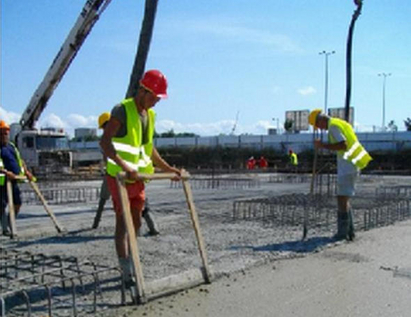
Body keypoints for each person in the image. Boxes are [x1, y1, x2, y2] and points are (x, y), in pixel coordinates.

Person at [100, 70, 181, 284]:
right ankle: (126, 270)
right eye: (154, 97)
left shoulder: (150, 116)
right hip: (119, 177)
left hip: (138, 178)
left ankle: (132, 256)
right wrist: (125, 167)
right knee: (122, 223)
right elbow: (105, 143)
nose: (156, 102)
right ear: (143, 90)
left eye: (158, 99)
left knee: (136, 222)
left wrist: (168, 169)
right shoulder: (122, 110)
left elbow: (149, 149)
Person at [308, 109, 372, 240]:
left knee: (342, 198)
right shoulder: (340, 123)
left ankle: (342, 233)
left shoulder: (333, 127)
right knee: (344, 198)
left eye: (318, 125)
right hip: (352, 163)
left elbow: (343, 144)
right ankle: (350, 232)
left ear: (320, 120)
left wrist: (322, 145)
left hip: (348, 165)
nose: (320, 128)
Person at [92, 112, 160, 236]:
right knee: (138, 205)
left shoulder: (113, 139)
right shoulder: (114, 138)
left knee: (129, 206)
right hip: (119, 174)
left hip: (119, 175)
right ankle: (140, 232)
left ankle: (134, 234)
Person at [0, 120, 35, 235]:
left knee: (17, 203)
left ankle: (11, 223)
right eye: (1, 133)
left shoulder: (11, 147)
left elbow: (19, 161)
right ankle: (5, 229)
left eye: (6, 133)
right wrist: (6, 172)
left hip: (13, 180)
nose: (4, 135)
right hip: (1, 182)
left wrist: (26, 171)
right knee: (2, 205)